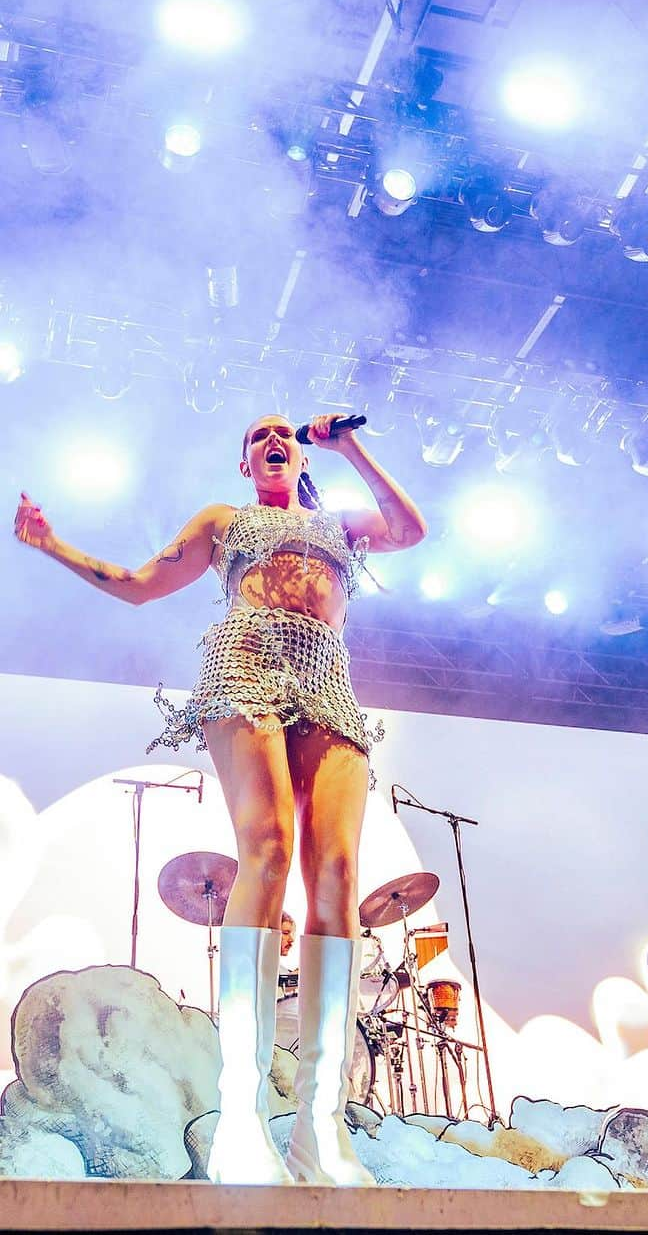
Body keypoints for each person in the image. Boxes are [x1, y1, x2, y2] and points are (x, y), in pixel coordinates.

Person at [14, 413, 426, 1185]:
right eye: (257, 436)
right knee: (265, 853)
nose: (273, 440)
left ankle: (320, 1124)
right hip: (246, 671)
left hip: (327, 684)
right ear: (245, 463)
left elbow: (409, 528)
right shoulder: (223, 520)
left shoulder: (339, 524)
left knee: (336, 874)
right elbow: (139, 586)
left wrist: (351, 446)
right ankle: (242, 1117)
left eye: (285, 434)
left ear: (301, 452)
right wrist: (54, 546)